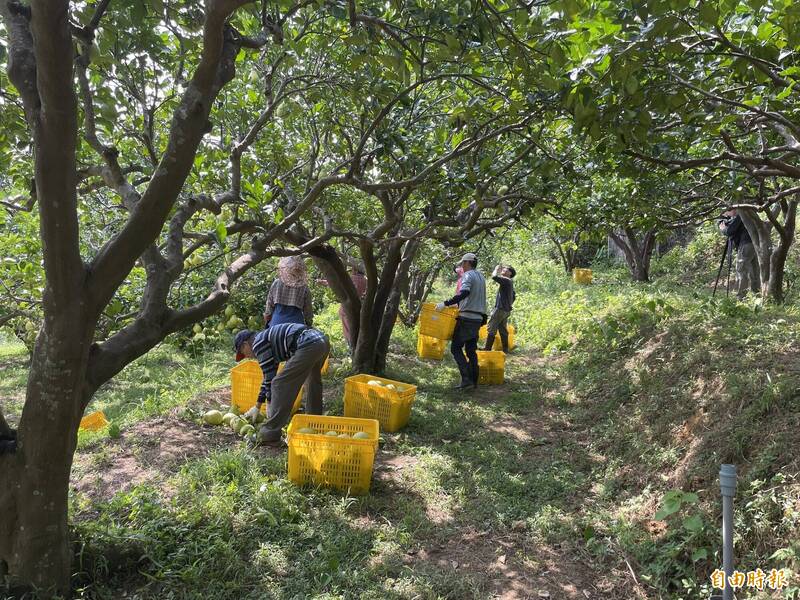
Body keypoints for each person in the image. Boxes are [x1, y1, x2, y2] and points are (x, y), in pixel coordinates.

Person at [234, 324, 330, 446]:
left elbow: (271, 381)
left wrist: (270, 404)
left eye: (243, 353)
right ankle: (315, 422)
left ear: (245, 345)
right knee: (312, 381)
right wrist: (257, 406)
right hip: (321, 341)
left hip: (308, 344)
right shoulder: (265, 339)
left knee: (279, 384)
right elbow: (268, 376)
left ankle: (269, 434)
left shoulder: (258, 344)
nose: (247, 357)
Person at [436, 252, 486, 390]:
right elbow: (472, 297)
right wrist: (456, 304)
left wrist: (445, 303)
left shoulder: (468, 275)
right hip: (477, 318)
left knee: (456, 348)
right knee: (471, 350)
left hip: (467, 318)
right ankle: (474, 381)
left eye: (462, 263)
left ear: (467, 263)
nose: (461, 266)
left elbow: (464, 293)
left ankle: (466, 379)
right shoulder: (481, 276)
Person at [319, 263, 367, 350]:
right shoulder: (365, 280)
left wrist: (324, 282)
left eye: (352, 268)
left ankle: (352, 350)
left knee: (349, 331)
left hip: (348, 309)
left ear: (355, 269)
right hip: (361, 308)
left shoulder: (351, 278)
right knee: (357, 329)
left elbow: (337, 284)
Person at [718, 209, 760, 299]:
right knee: (754, 270)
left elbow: (730, 231)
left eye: (728, 211)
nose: (727, 214)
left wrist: (723, 229)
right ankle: (757, 295)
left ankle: (741, 297)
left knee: (741, 270)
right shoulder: (748, 211)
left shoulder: (741, 213)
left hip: (747, 244)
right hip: (755, 243)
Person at [264, 256, 314, 326]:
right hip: (296, 324)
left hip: (276, 323)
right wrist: (309, 324)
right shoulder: (304, 287)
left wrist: (267, 322)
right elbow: (308, 312)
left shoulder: (276, 283)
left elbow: (269, 307)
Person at [484, 264, 516, 353]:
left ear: (510, 273)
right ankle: (505, 350)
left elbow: (494, 277)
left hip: (500, 309)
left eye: (505, 269)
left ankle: (487, 349)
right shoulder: (510, 282)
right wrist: (508, 304)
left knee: (491, 328)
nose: (503, 269)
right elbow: (514, 296)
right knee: (502, 330)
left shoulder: (506, 280)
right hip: (506, 310)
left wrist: (496, 269)